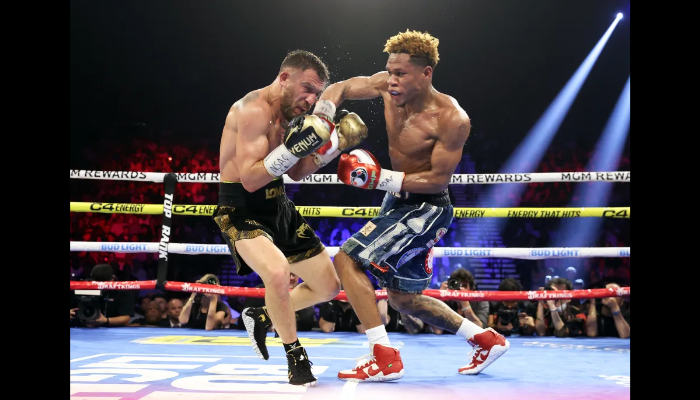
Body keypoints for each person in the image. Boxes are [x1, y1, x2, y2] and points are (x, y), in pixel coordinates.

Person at [313, 30, 509, 382]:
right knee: (403, 299)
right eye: (390, 71)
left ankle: (384, 356)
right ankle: (483, 338)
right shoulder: (387, 88)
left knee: (346, 259)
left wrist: (379, 178)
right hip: (397, 200)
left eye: (401, 73)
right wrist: (323, 116)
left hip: (427, 208)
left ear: (426, 74)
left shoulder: (452, 119)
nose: (391, 80)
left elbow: (438, 180)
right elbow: (339, 87)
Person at [212, 49, 368, 386]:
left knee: (328, 287)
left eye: (317, 93)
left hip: (278, 206)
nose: (311, 100)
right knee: (279, 273)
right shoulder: (251, 111)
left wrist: (336, 145)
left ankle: (263, 315)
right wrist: (294, 147)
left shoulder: (289, 115)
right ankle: (295, 356)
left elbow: (296, 171)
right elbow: (252, 180)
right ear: (285, 77)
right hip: (242, 209)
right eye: (307, 88)